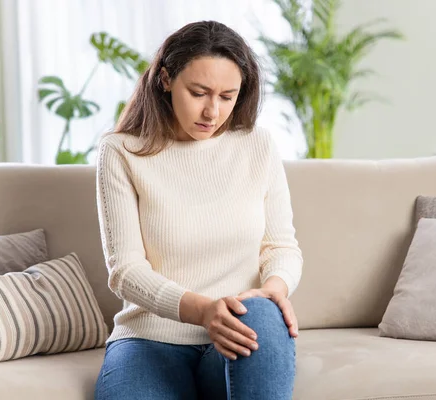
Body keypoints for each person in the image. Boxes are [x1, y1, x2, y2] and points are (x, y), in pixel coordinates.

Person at [94, 20, 303, 400]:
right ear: (165, 79)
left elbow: (280, 246)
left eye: (227, 96)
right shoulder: (121, 151)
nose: (212, 111)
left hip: (238, 332)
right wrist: (205, 311)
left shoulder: (257, 144)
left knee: (262, 314)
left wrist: (273, 291)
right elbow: (125, 271)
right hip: (150, 340)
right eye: (199, 92)